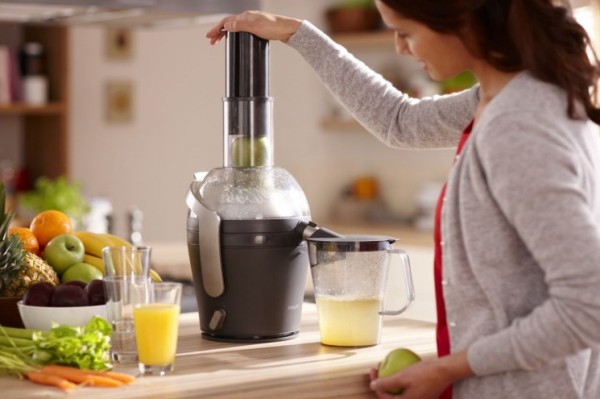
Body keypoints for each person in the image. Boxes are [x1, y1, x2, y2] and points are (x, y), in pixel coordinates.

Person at [206, 1, 600, 398]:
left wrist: (450, 368)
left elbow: (589, 304)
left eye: (406, 32)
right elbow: (400, 122)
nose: (400, 48)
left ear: (462, 20)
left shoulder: (518, 127)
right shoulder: (511, 95)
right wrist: (297, 33)